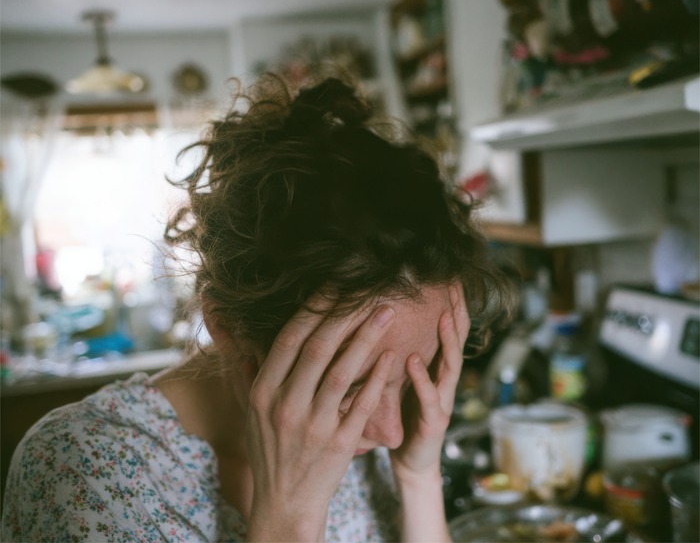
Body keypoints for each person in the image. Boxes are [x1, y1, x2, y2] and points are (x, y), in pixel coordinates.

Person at [2, 75, 512, 542]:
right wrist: (289, 516)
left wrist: (417, 475)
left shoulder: (378, 440)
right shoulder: (81, 471)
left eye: (410, 379)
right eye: (352, 387)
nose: (390, 432)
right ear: (226, 328)